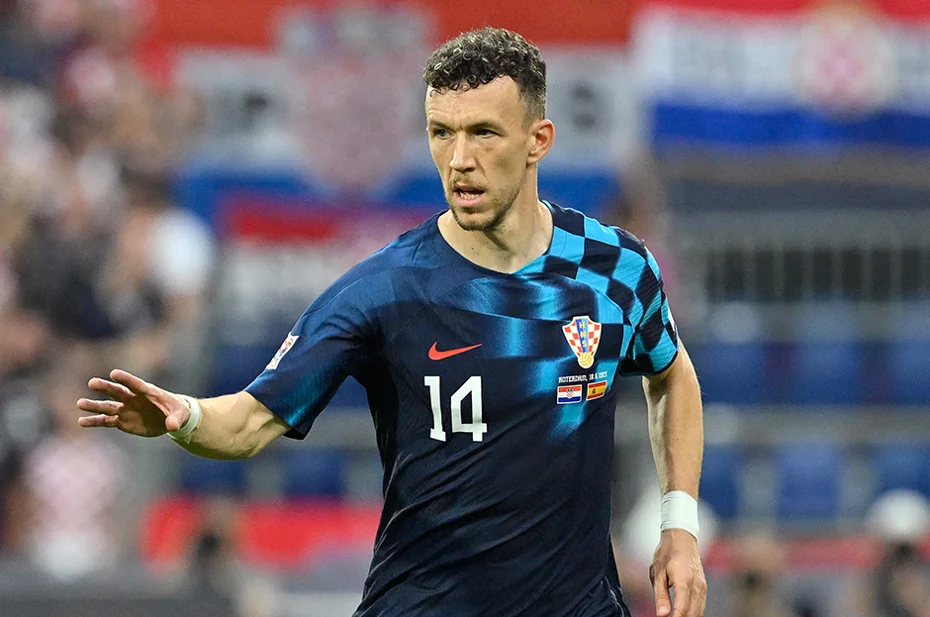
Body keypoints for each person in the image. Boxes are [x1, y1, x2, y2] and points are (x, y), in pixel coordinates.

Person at [77, 27, 706, 617]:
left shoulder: (615, 269)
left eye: (483, 133)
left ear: (538, 140)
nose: (459, 159)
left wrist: (679, 526)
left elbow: (672, 376)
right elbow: (248, 422)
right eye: (441, 132)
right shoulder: (385, 289)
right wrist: (185, 416)